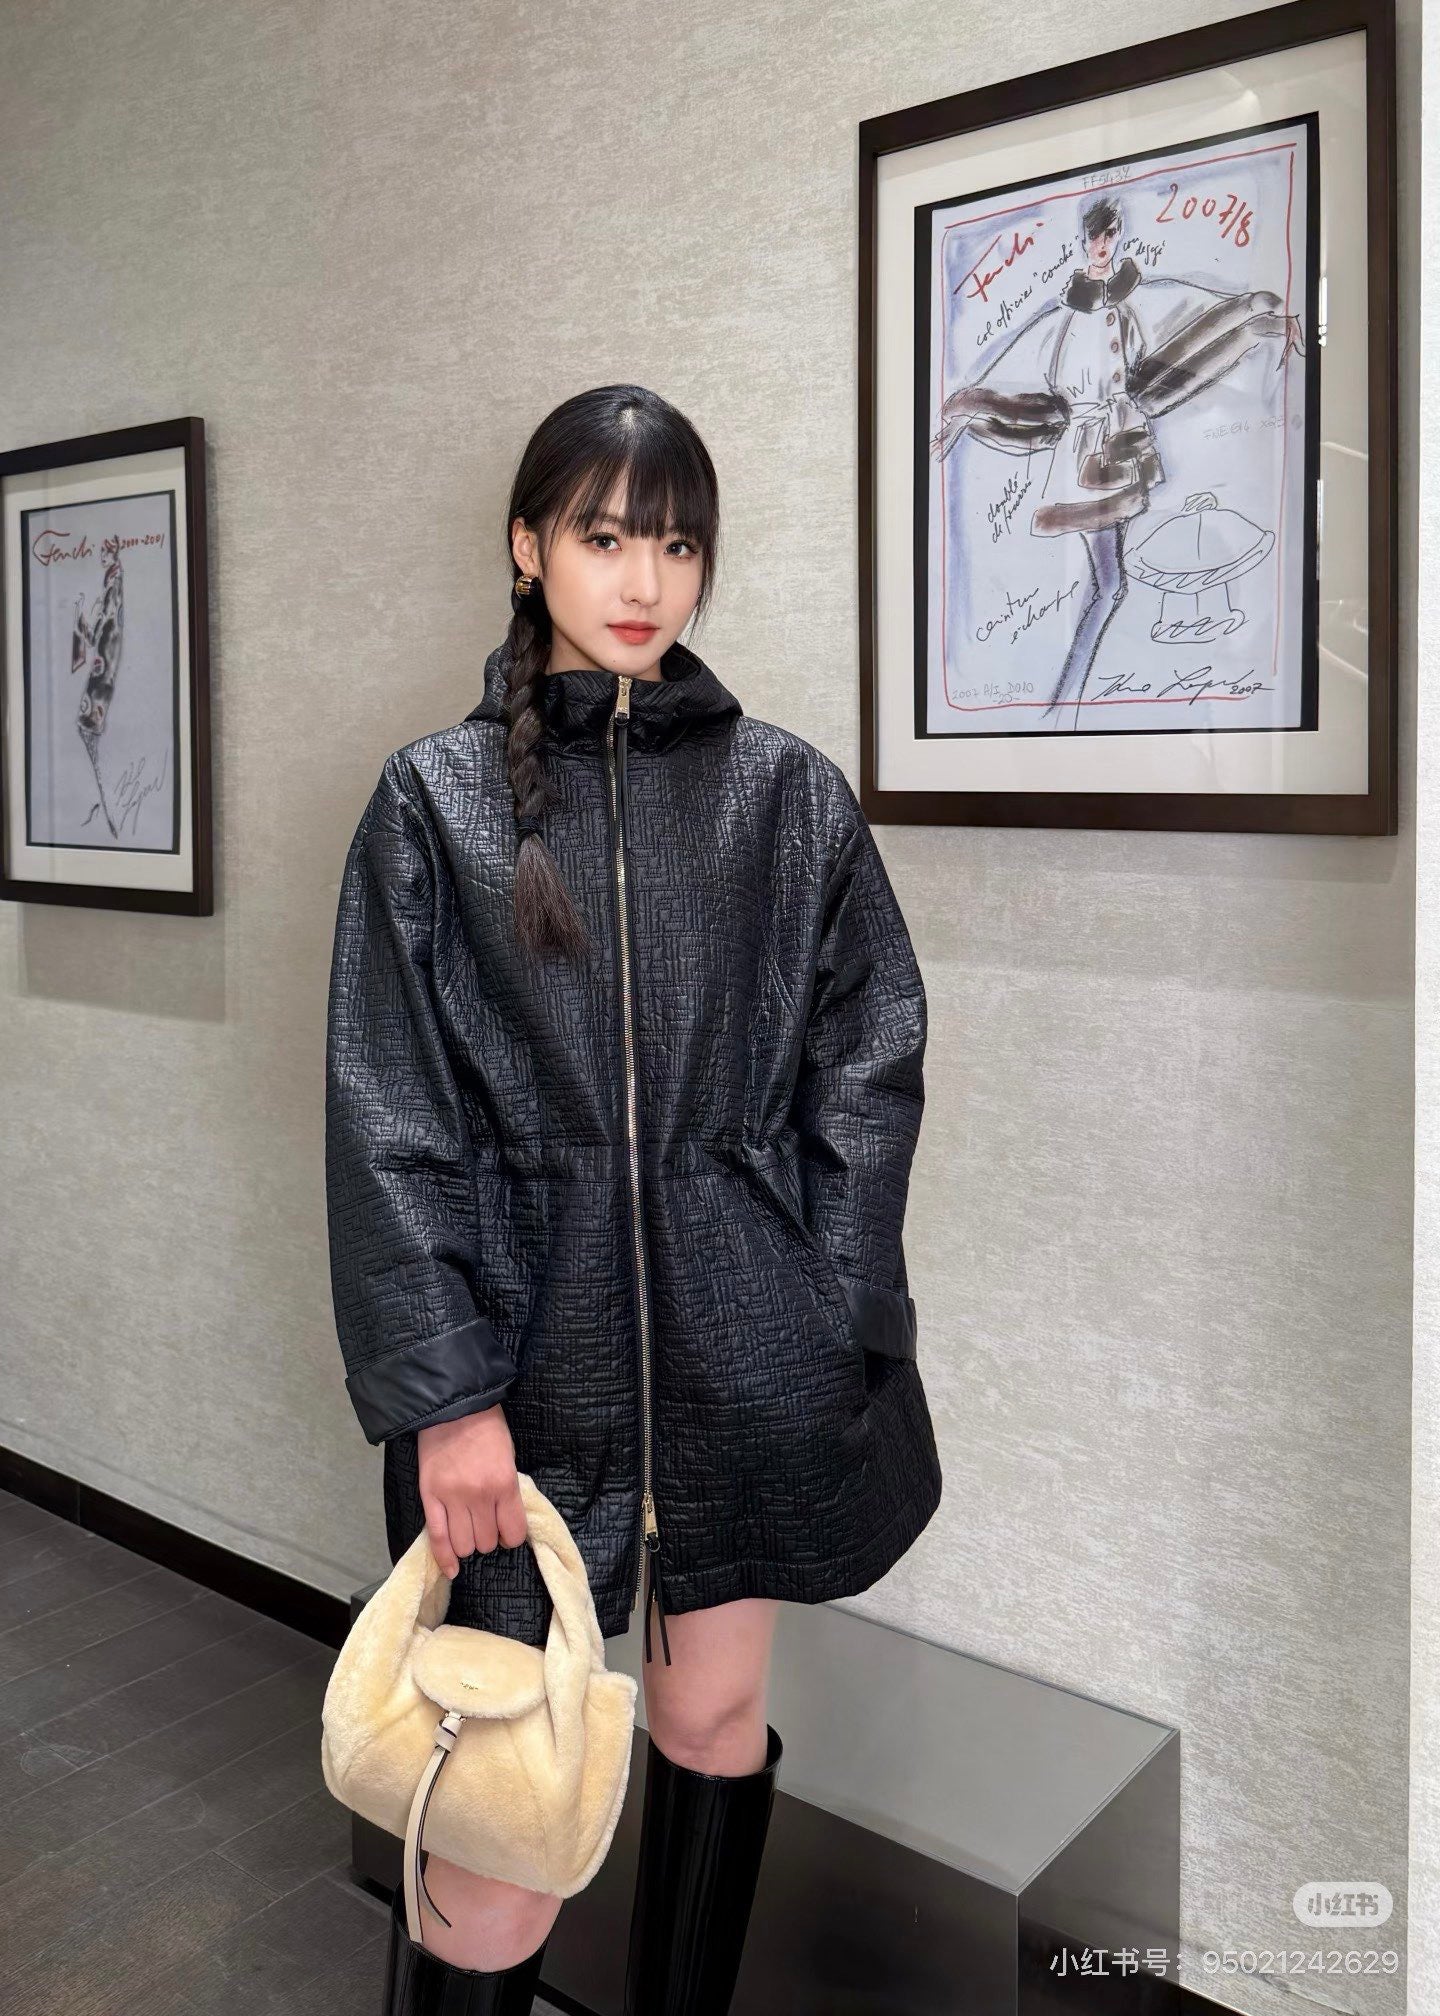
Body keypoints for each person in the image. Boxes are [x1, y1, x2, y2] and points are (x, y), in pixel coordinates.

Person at [324, 383, 943, 2013]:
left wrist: (834, 1302)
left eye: (677, 544)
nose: (645, 579)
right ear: (529, 546)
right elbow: (391, 1122)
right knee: (495, 1817)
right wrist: (445, 1398)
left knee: (712, 1725)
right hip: (522, 1381)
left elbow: (869, 1064)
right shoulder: (434, 804)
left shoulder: (786, 797)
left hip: (748, 1367)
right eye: (606, 537)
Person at [930, 193, 1304, 727]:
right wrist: (967, 408)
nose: (1102, 244)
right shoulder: (1064, 315)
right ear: (1085, 240)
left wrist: (1251, 311)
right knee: (1109, 585)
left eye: (1110, 234)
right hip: (1086, 454)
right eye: (1095, 235)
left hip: (1123, 438)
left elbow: (1182, 322)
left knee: (1110, 585)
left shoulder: (1133, 300)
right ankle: (1062, 707)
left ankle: (1062, 706)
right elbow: (1028, 372)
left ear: (1118, 236)